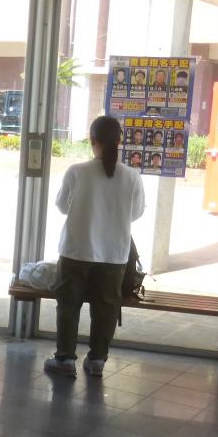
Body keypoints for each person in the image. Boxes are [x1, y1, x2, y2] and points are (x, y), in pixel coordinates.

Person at [45, 116, 146, 379]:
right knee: (106, 308)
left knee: (68, 305)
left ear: (92, 140)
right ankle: (97, 360)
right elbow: (135, 213)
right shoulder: (132, 176)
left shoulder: (77, 171)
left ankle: (65, 359)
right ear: (119, 140)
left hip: (76, 251)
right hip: (114, 255)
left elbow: (62, 206)